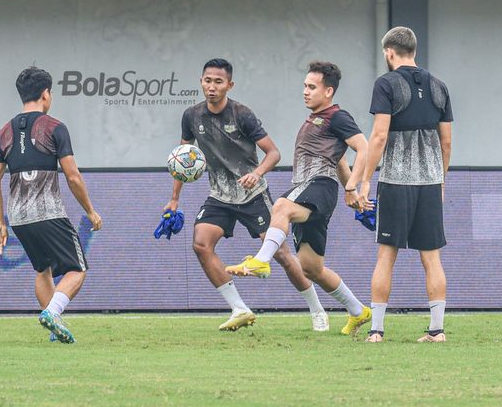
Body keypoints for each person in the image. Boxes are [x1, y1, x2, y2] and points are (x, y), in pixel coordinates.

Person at [165, 58, 328, 332]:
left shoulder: (242, 114)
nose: (212, 87)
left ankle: (317, 310)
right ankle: (240, 309)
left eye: (218, 82)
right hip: (219, 196)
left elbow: (274, 153)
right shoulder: (191, 116)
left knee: (283, 255)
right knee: (201, 244)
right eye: (208, 81)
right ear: (201, 82)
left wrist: (258, 173)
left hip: (253, 195)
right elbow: (182, 159)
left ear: (229, 85)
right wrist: (174, 199)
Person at [227, 61, 372, 337]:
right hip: (317, 188)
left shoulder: (337, 116)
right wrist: (349, 191)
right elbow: (341, 161)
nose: (305, 91)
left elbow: (363, 147)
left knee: (281, 206)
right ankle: (358, 312)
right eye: (305, 86)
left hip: (317, 185)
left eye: (312, 87)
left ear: (328, 91)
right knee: (311, 268)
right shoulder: (316, 120)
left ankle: (261, 260)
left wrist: (354, 187)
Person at [0, 66, 102, 343]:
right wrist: (90, 211)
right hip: (49, 212)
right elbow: (73, 176)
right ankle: (52, 313)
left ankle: (53, 325)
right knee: (78, 269)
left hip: (18, 216)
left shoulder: (4, 131)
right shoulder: (55, 127)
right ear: (45, 94)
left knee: (43, 269)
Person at [359, 26, 453, 343]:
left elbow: (379, 135)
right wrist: (441, 180)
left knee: (387, 255)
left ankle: (377, 330)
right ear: (414, 50)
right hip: (430, 182)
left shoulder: (386, 84)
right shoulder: (439, 86)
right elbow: (447, 142)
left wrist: (365, 180)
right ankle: (437, 330)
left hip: (396, 181)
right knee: (432, 257)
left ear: (389, 52)